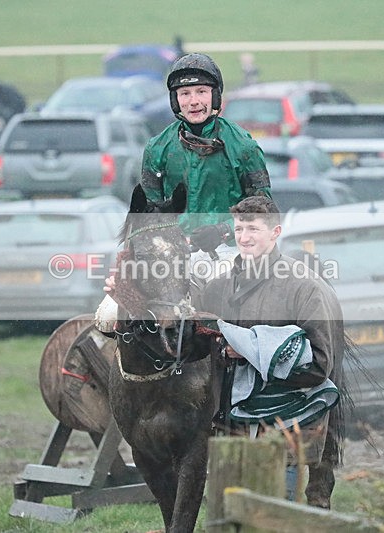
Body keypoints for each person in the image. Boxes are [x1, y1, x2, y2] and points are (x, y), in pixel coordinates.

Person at [196, 195, 344, 508]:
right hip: (229, 429)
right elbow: (202, 352)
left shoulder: (304, 288)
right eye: (238, 230)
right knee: (226, 518)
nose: (244, 238)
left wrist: (254, 350)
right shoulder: (217, 288)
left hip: (284, 425)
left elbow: (320, 365)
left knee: (275, 513)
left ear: (275, 233)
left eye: (253, 229)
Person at [140, 52, 271, 253]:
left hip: (232, 253)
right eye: (185, 93)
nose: (193, 101)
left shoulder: (244, 147)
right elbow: (147, 213)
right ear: (175, 100)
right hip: (177, 255)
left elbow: (264, 208)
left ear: (215, 95)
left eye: (201, 91)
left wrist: (223, 230)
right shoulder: (156, 149)